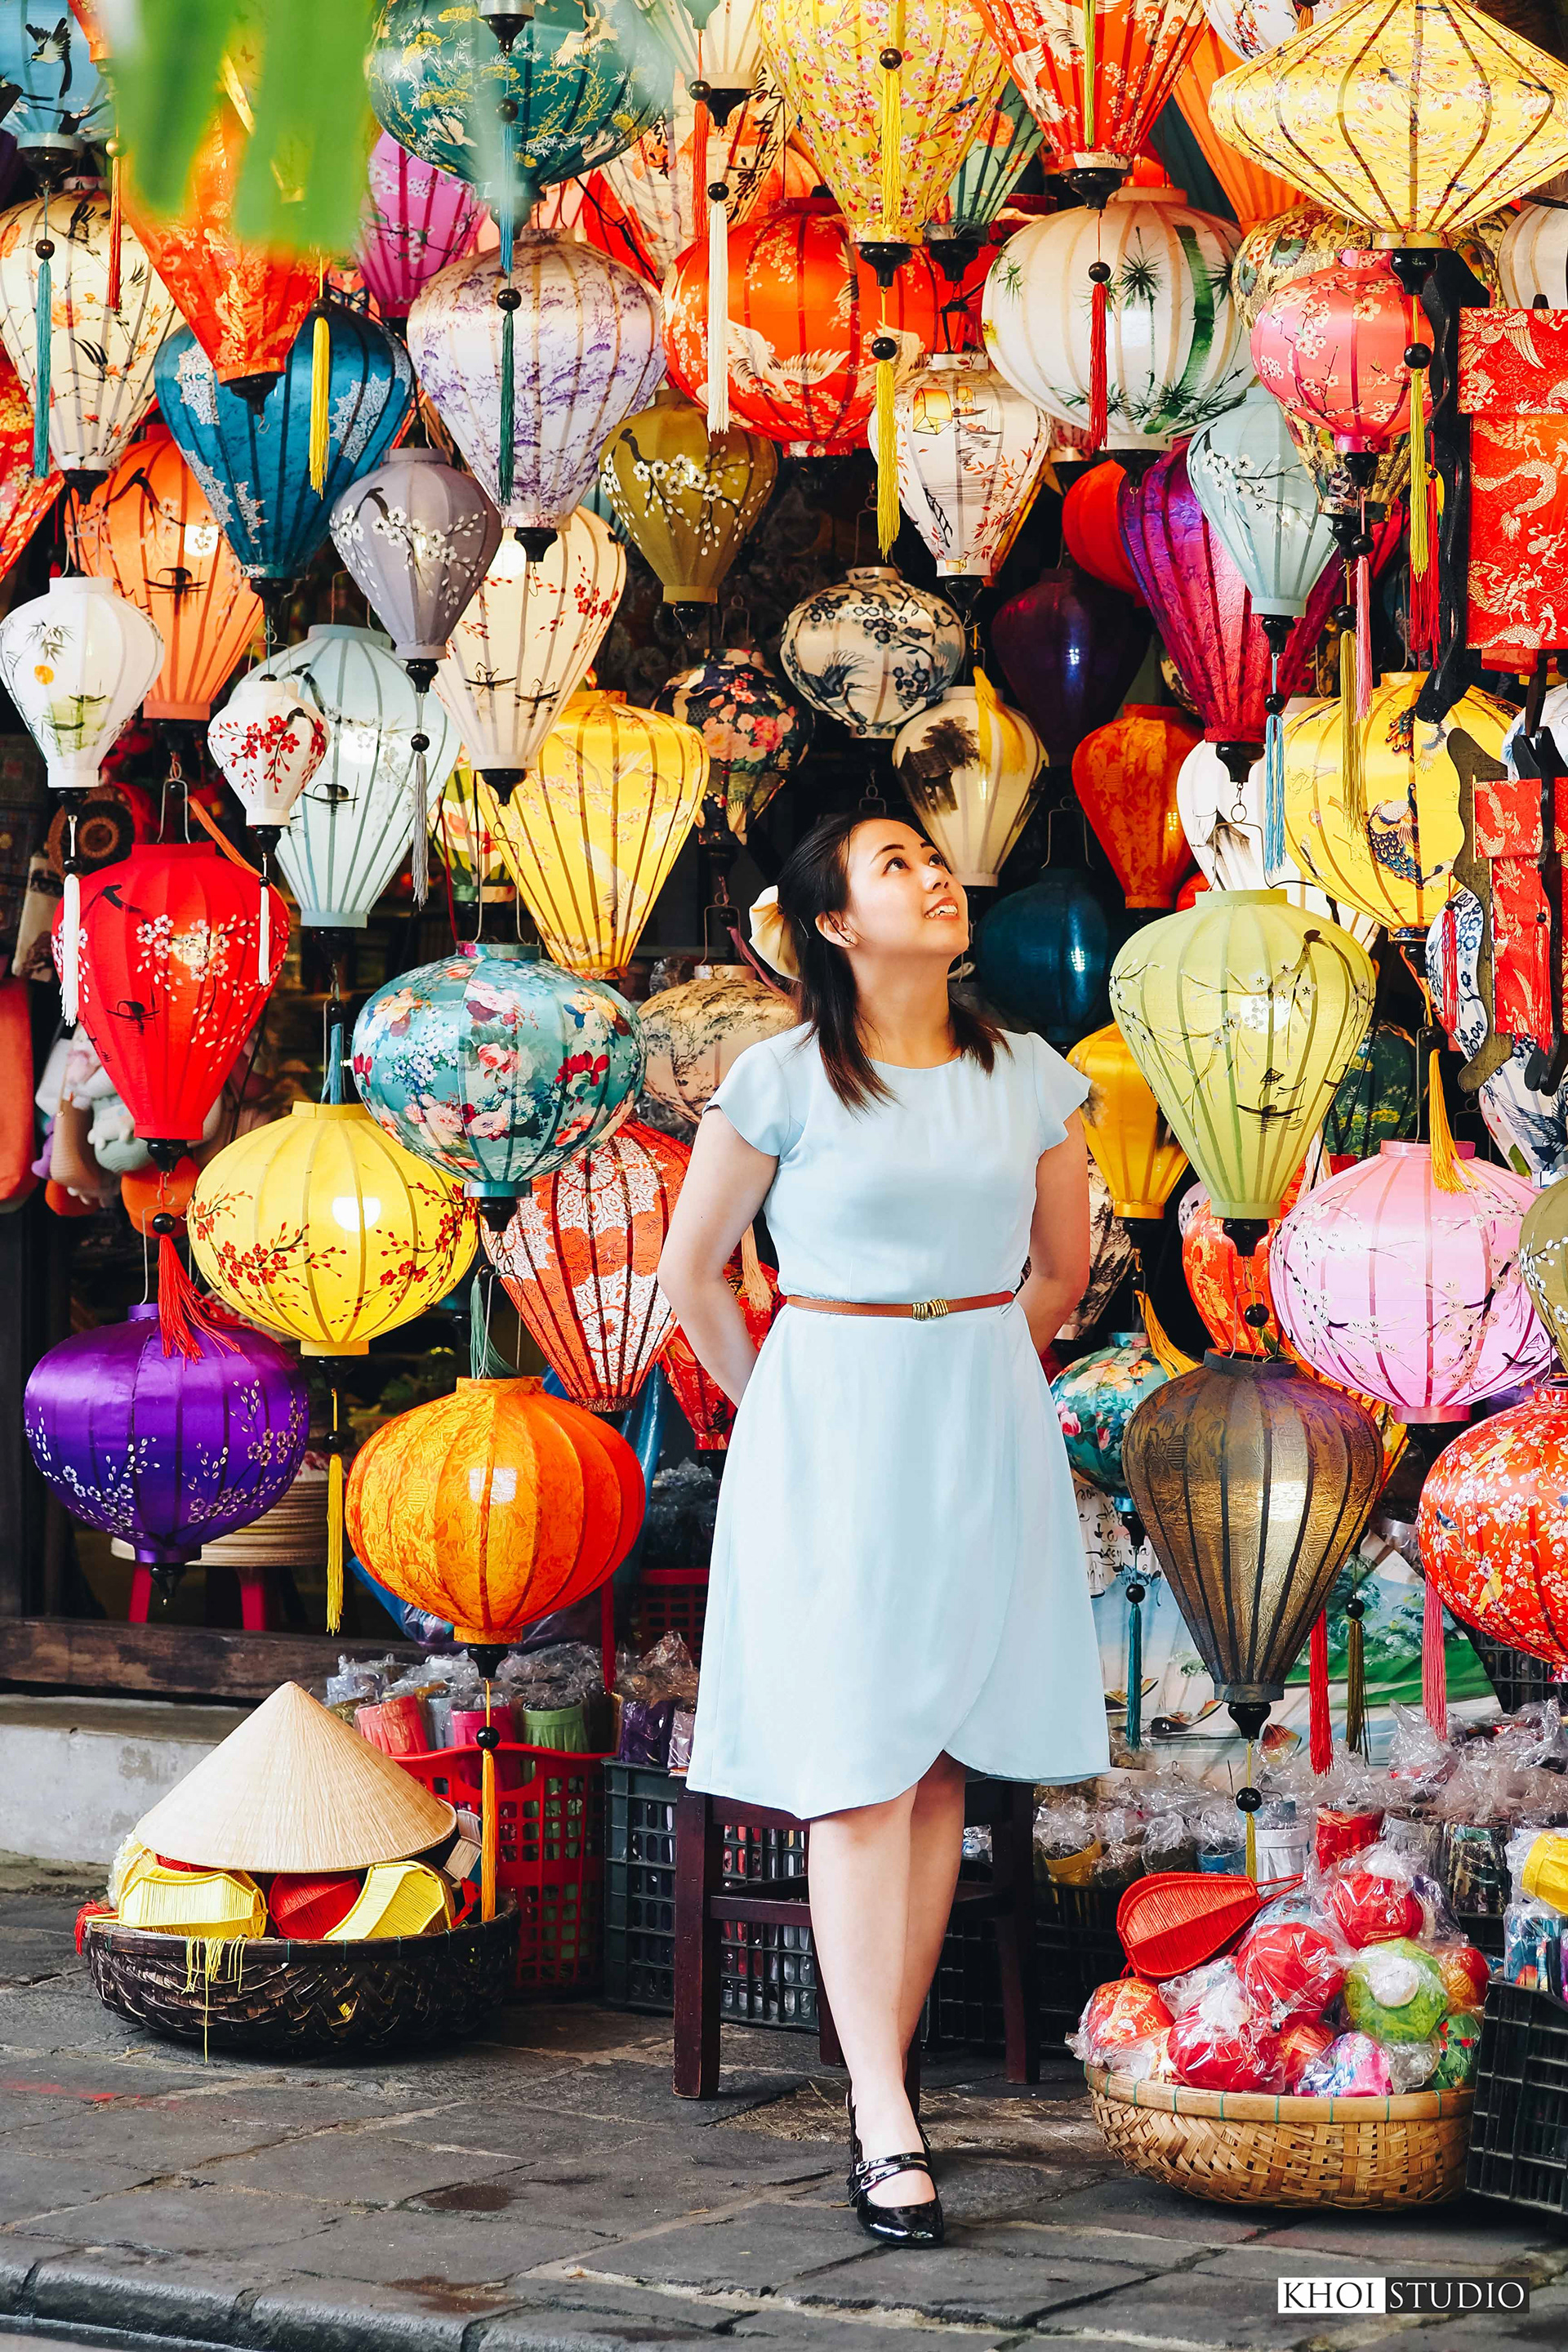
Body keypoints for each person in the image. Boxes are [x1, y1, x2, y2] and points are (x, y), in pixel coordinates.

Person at [657, 811, 1109, 2247]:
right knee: (859, 1766)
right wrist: (789, 1407)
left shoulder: (1026, 1074)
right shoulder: (780, 1078)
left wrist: (968, 1367)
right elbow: (695, 1281)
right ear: (837, 925)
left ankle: (882, 2085)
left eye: (933, 855)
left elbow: (1061, 1271)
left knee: (932, 1772)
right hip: (830, 1419)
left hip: (977, 1410)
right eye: (896, 865)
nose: (934, 875)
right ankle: (883, 2112)